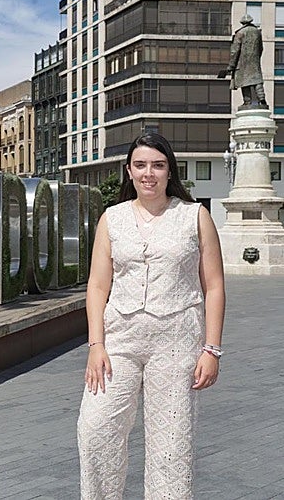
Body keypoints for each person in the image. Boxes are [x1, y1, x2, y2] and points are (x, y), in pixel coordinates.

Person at [77, 133, 225, 498]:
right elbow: (97, 286)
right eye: (140, 165)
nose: (149, 173)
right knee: (95, 430)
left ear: (169, 170)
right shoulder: (112, 219)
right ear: (129, 171)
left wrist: (212, 349)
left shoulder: (195, 216)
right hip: (119, 342)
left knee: (171, 447)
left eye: (157, 165)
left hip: (176, 343)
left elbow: (215, 286)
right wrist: (96, 344)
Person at [227, 14, 267, 108]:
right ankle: (262, 99)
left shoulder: (240, 33)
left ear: (242, 23)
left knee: (244, 82)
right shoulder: (257, 32)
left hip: (242, 62)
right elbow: (261, 48)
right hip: (254, 61)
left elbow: (235, 51)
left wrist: (231, 65)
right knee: (257, 80)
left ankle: (247, 102)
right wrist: (256, 58)